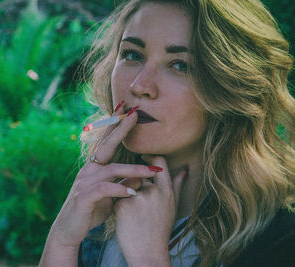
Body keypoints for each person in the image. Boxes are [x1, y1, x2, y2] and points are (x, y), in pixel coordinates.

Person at [39, 0, 295, 266]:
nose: (140, 86)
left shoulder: (280, 242)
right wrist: (63, 238)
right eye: (132, 55)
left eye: (180, 65)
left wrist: (149, 258)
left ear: (231, 87)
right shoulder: (99, 212)